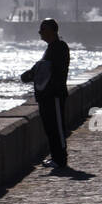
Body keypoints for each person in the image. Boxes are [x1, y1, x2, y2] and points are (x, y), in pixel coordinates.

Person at [21, 17, 70, 170]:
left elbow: (47, 69)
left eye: (42, 30)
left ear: (50, 31)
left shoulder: (59, 47)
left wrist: (31, 73)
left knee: (57, 128)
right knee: (50, 128)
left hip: (54, 95)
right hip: (47, 97)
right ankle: (55, 157)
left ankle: (61, 159)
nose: (39, 33)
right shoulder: (52, 47)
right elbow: (43, 68)